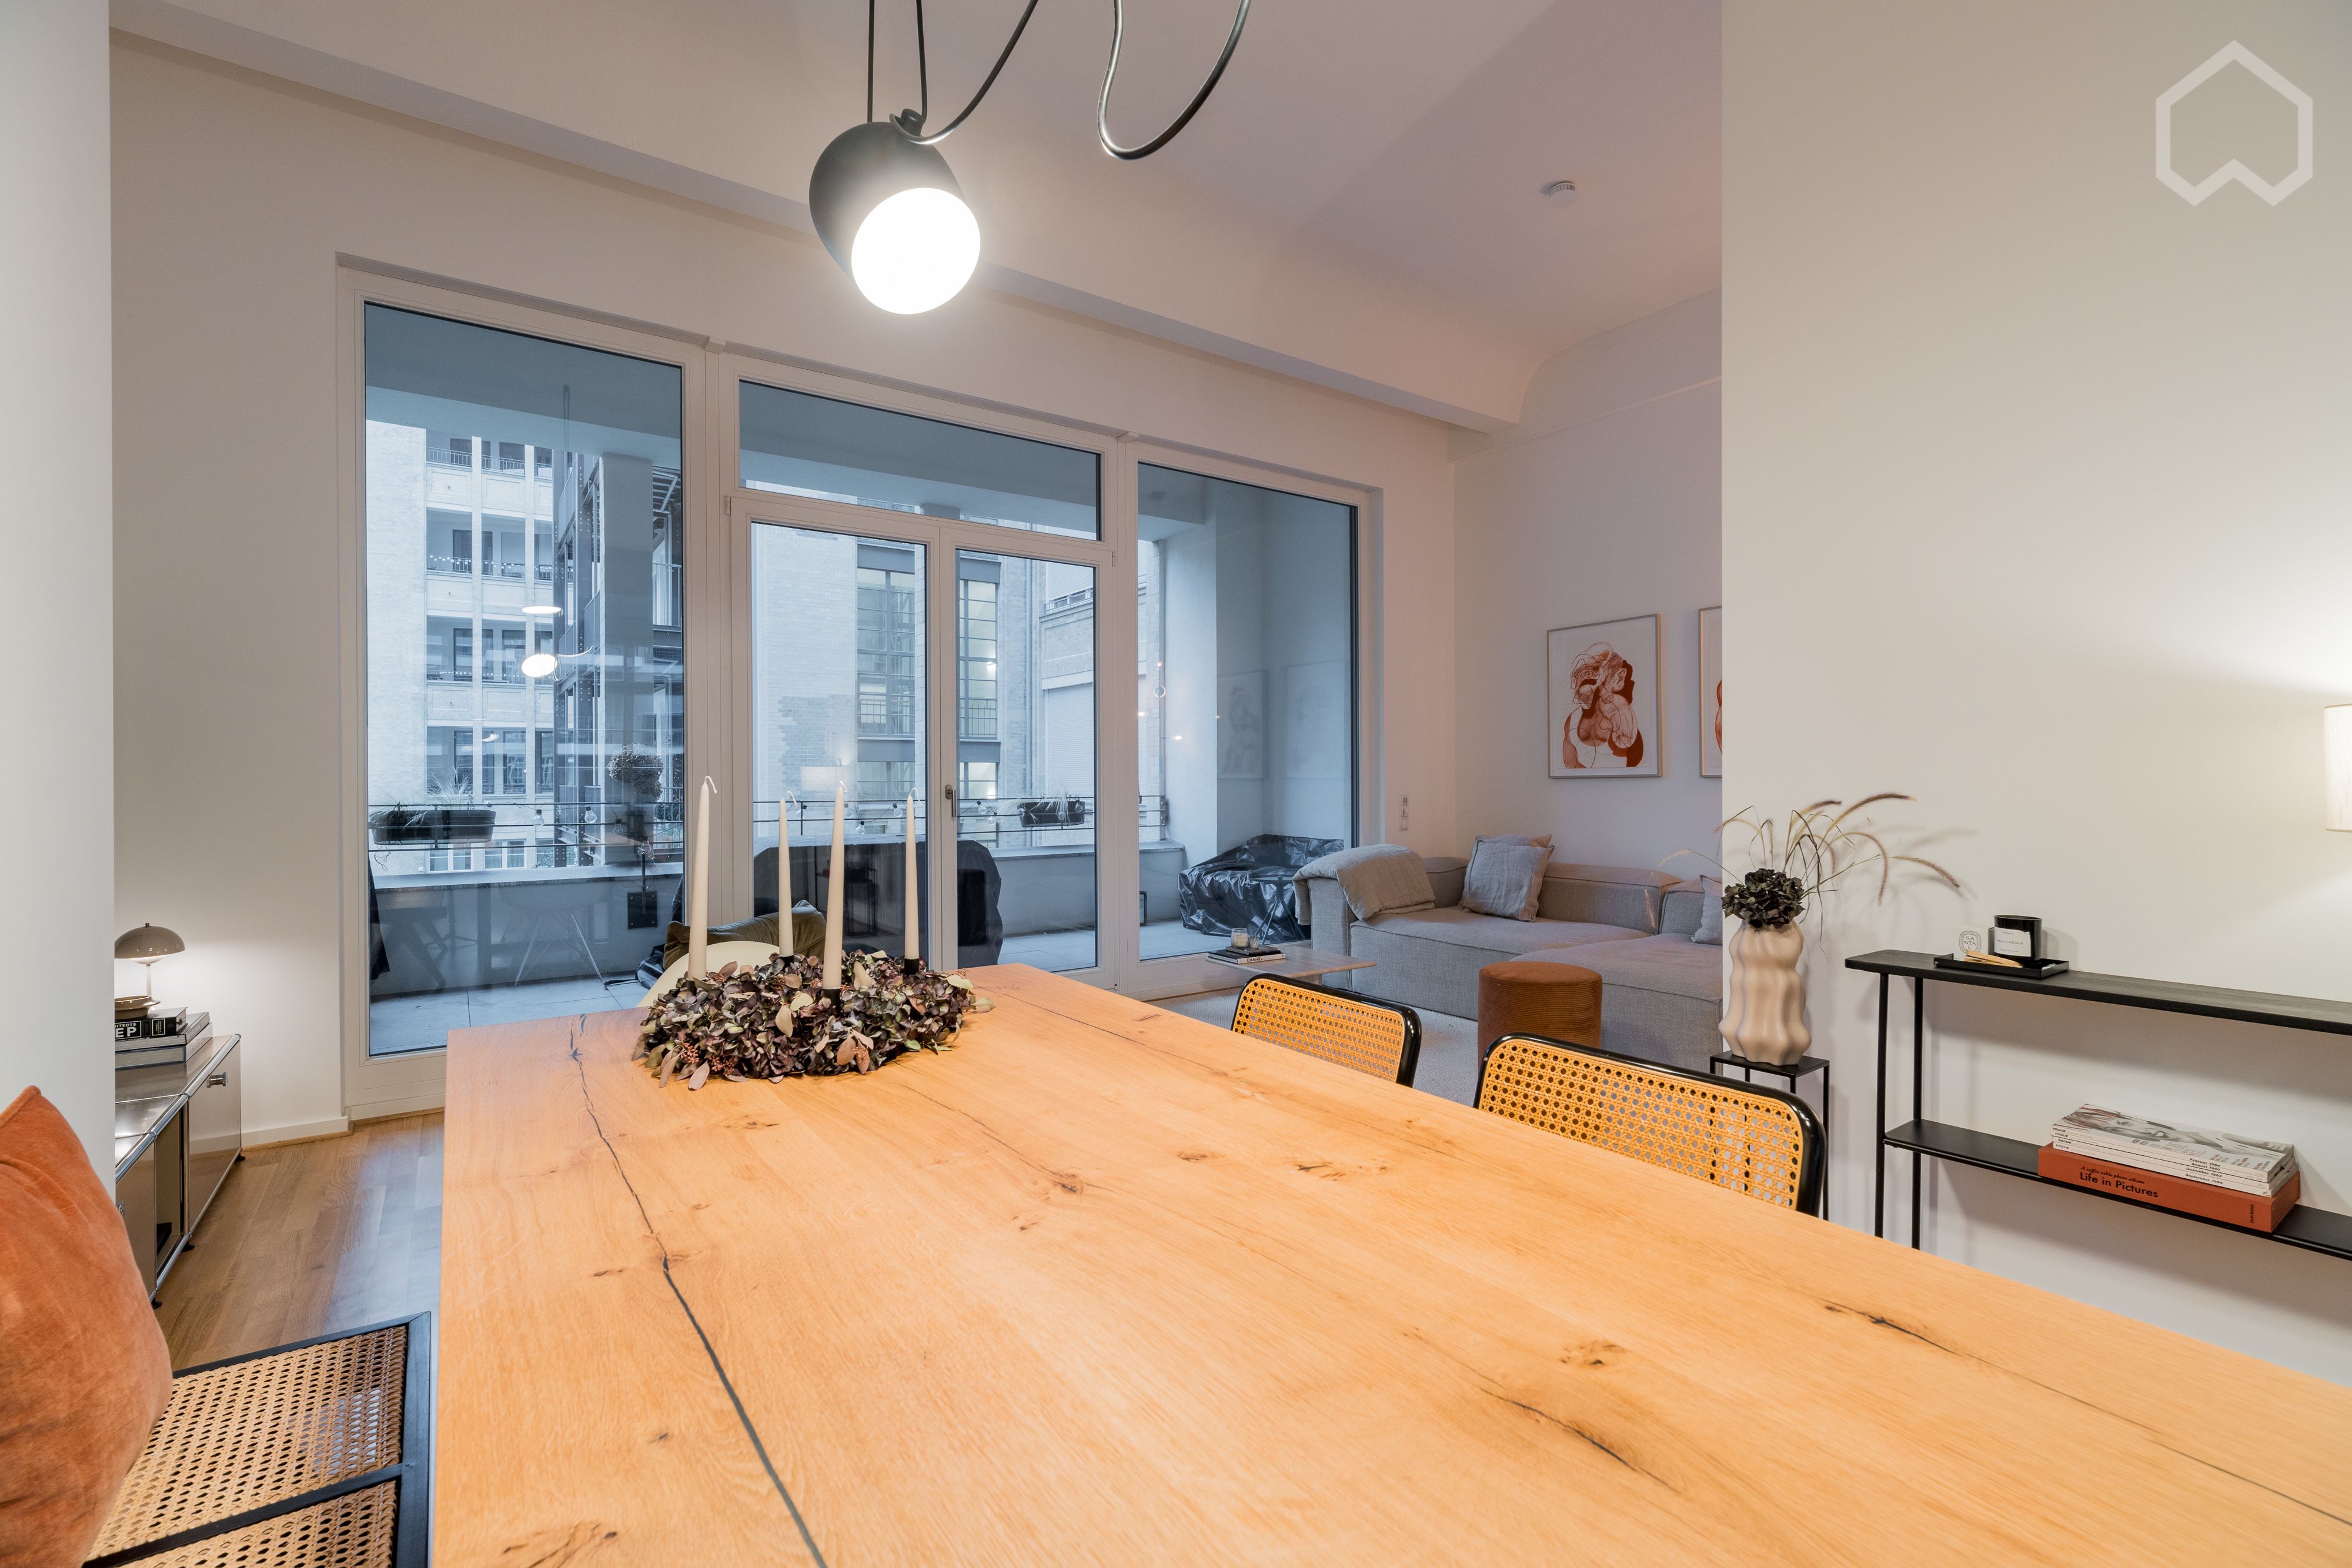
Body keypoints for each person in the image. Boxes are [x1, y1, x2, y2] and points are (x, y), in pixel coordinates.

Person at [1562, 642, 1645, 769]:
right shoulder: (1573, 719)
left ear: (1619, 678)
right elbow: (1570, 766)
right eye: (1582, 674)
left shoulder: (1621, 711)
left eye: (1594, 671)